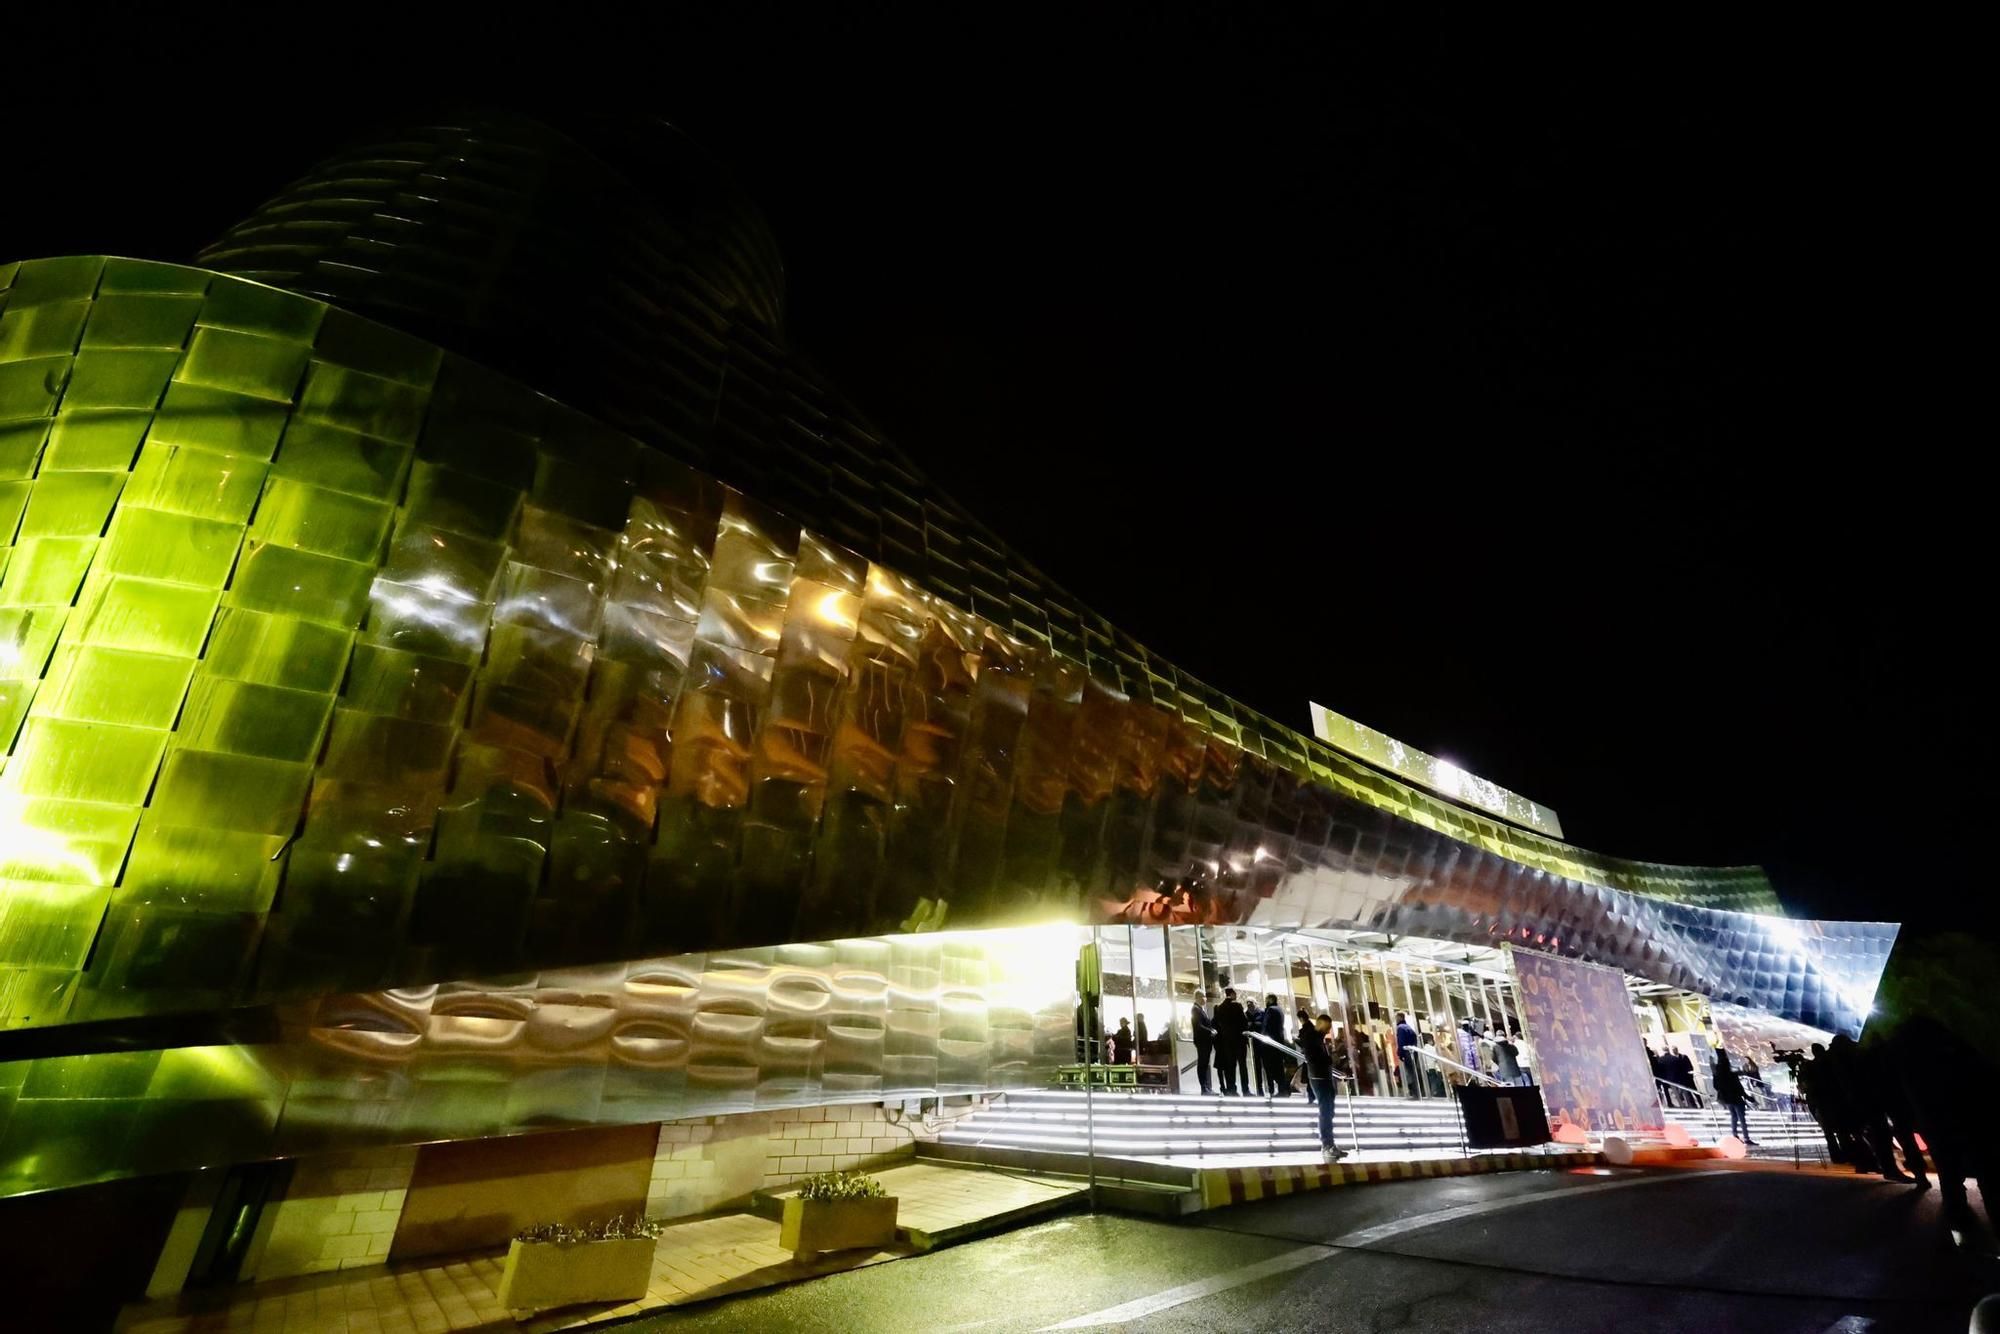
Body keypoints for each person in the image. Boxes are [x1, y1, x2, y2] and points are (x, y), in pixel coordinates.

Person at [1299, 1011, 1347, 1161]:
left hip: (1324, 1077)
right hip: (1318, 1077)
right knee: (1325, 1111)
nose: (1328, 1031)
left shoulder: (1318, 1038)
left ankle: (1330, 1144)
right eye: (1327, 1027)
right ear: (1320, 1024)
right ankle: (1327, 1145)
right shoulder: (1311, 1038)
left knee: (1328, 1111)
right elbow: (1312, 1056)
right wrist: (1328, 1059)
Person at [1213, 988, 1249, 1096]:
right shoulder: (1237, 1006)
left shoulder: (1220, 1008)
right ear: (1232, 994)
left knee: (1230, 1067)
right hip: (1239, 1040)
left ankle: (1231, 1089)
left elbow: (1217, 1024)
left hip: (1227, 1042)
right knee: (1242, 1066)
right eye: (1235, 994)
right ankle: (1245, 1089)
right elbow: (1244, 1022)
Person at [1713, 1051, 1754, 1145]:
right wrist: (1747, 1097)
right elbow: (1739, 1088)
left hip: (1727, 1099)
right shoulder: (1732, 1075)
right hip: (1736, 1098)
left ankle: (1735, 1135)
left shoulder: (1717, 1075)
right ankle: (1746, 1138)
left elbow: (1716, 1087)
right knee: (1741, 1118)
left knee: (1734, 1117)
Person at [1261, 995, 1289, 1097]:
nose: (1265, 1001)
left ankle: (1281, 1089)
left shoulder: (1271, 1010)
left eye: (1266, 999)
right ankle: (1283, 1089)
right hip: (1278, 1042)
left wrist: (1262, 1038)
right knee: (1278, 1067)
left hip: (1270, 1044)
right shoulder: (1279, 1010)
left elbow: (1266, 1026)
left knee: (1272, 1067)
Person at [1191, 992, 1215, 1095]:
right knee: (1202, 1064)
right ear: (1198, 997)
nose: (1205, 999)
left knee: (1205, 1064)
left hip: (1206, 1041)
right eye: (1203, 996)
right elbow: (1198, 1025)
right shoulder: (1195, 1009)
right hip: (1202, 1041)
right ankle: (1204, 1088)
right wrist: (1210, 1031)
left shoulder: (1201, 1009)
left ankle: (1207, 1087)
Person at [1395, 1012, 1422, 1099]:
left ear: (1399, 1018)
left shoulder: (1400, 1028)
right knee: (1414, 1072)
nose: (1395, 1019)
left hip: (1407, 1053)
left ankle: (1415, 1093)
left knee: (1410, 1073)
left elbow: (1401, 1042)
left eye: (1396, 1018)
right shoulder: (1409, 1028)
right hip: (1413, 1052)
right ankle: (1418, 1092)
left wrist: (1400, 1054)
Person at [1296, 1007, 1318, 1103]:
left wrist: (1296, 1040)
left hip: (1309, 1055)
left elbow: (1305, 1043)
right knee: (1311, 1076)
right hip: (1313, 1055)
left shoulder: (1306, 1029)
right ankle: (1312, 1095)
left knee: (1310, 1076)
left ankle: (1311, 1096)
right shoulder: (1312, 1028)